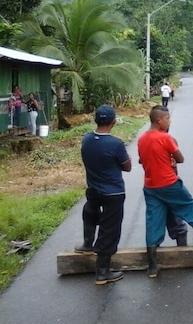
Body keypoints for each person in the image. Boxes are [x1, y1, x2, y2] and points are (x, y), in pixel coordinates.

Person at [138, 105, 193, 279]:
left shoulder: (142, 139)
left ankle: (152, 266)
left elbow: (142, 160)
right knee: (190, 208)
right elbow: (180, 158)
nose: (170, 121)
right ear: (159, 120)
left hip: (151, 186)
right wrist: (171, 159)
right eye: (168, 118)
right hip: (169, 183)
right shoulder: (165, 137)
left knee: (153, 221)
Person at [77, 105, 132, 285]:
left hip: (94, 188)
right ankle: (102, 272)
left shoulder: (87, 139)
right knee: (109, 229)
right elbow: (127, 167)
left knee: (90, 212)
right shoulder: (116, 143)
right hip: (113, 192)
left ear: (95, 120)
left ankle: (87, 244)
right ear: (113, 122)